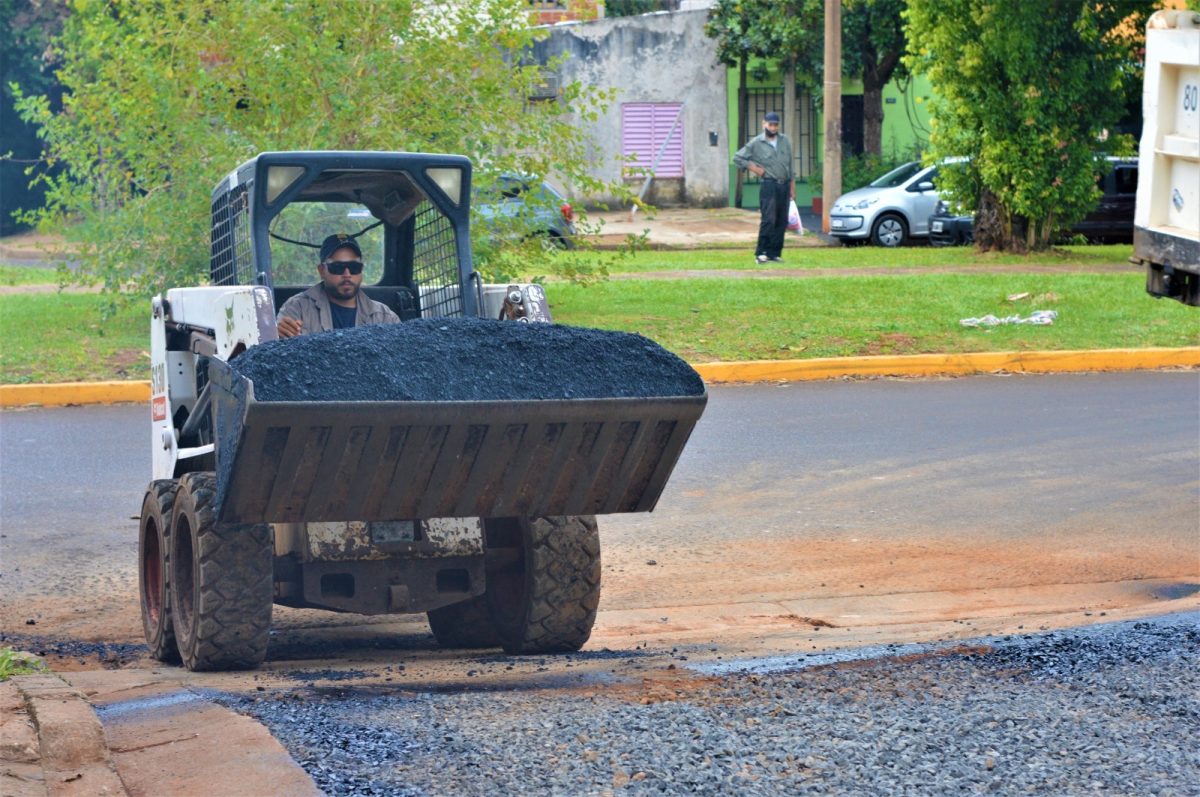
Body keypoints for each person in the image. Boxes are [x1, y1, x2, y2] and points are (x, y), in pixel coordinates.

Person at [276, 233, 399, 338]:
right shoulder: (297, 308)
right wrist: (277, 334)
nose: (347, 274)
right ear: (322, 270)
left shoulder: (384, 317)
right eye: (338, 267)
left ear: (361, 269)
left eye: (354, 267)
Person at [733, 111, 796, 264]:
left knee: (782, 220)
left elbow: (790, 165)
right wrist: (754, 168)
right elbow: (738, 157)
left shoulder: (785, 140)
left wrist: (792, 189)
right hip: (769, 185)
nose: (773, 128)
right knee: (769, 219)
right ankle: (761, 253)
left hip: (784, 185)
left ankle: (774, 253)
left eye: (775, 125)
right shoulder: (756, 142)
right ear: (764, 124)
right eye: (770, 124)